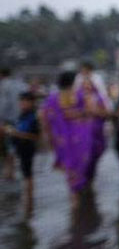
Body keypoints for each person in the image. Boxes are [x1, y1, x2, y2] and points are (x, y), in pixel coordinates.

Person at [42, 72, 96, 207]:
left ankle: (74, 197)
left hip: (63, 140)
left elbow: (44, 118)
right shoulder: (79, 95)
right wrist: (79, 113)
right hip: (80, 138)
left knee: (70, 166)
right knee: (80, 164)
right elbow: (90, 111)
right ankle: (78, 195)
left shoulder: (52, 98)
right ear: (72, 82)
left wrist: (49, 138)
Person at [4, 92, 39, 215]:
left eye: (25, 101)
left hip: (28, 148)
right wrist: (9, 130)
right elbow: (18, 128)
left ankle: (29, 205)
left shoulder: (33, 116)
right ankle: (28, 203)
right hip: (20, 147)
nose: (22, 104)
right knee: (25, 175)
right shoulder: (22, 115)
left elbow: (35, 136)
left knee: (28, 175)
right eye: (21, 101)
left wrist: (16, 133)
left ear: (32, 102)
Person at [0, 68, 26, 180]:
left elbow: (4, 103)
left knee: (8, 145)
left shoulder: (4, 85)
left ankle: (9, 172)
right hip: (19, 119)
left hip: (8, 120)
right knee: (13, 144)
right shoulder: (18, 84)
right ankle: (12, 171)